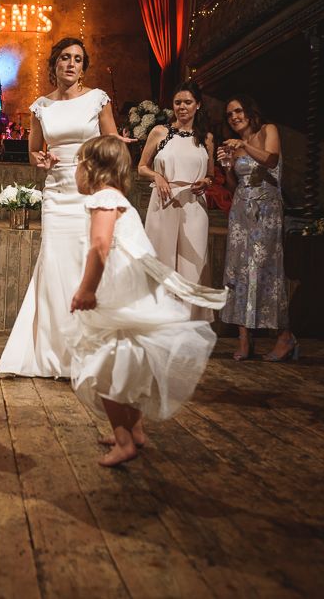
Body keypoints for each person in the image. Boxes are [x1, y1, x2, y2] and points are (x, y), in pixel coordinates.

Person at [68, 136, 226, 467]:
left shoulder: (103, 200)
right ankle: (136, 430)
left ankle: (124, 440)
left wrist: (86, 290)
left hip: (116, 293)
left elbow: (99, 247)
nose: (76, 172)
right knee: (126, 359)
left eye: (78, 164)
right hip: (134, 292)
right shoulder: (118, 198)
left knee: (101, 365)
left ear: (93, 169)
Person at [0, 37, 132, 378]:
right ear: (54, 64)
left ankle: (90, 352)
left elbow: (112, 142)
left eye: (78, 59)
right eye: (65, 58)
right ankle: (54, 352)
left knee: (86, 263)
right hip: (57, 193)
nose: (72, 64)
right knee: (55, 266)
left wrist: (117, 158)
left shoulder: (97, 99)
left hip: (90, 190)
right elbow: (33, 152)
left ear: (83, 67)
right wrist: (40, 159)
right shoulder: (41, 106)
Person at [217, 95, 295, 361]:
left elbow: (271, 161)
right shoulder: (235, 146)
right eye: (229, 115)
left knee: (266, 270)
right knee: (238, 269)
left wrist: (245, 147)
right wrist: (226, 166)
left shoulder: (267, 130)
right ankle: (243, 339)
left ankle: (284, 336)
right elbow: (231, 187)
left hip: (266, 209)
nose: (234, 117)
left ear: (250, 112)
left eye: (238, 111)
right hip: (241, 211)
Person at [138, 80, 215, 321]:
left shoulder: (207, 138)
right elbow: (141, 166)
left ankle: (188, 323)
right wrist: (157, 176)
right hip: (163, 201)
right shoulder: (160, 132)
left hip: (194, 205)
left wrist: (206, 182)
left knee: (192, 265)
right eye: (178, 102)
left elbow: (211, 175)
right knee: (162, 260)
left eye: (188, 102)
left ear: (198, 105)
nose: (182, 107)